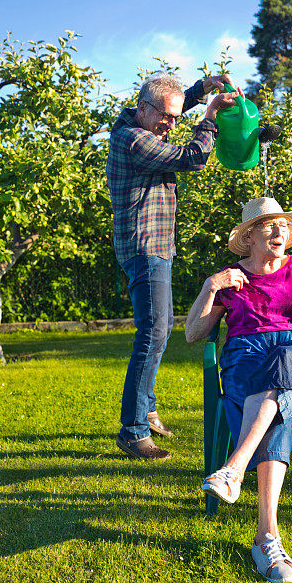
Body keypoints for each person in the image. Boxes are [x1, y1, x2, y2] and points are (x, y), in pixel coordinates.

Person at [185, 197, 292, 583]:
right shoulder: (230, 278)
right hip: (246, 357)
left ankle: (234, 470)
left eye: (283, 226)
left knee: (282, 369)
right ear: (250, 236)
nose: (280, 232)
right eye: (270, 225)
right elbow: (194, 333)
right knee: (273, 405)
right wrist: (211, 286)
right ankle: (266, 538)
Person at [107, 71, 242, 462]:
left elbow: (176, 107)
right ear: (144, 108)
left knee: (160, 329)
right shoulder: (133, 139)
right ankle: (132, 432)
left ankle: (145, 408)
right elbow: (193, 157)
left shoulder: (143, 121)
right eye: (165, 117)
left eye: (176, 118)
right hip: (144, 249)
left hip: (156, 248)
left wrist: (205, 87)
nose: (171, 124)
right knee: (151, 334)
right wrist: (211, 116)